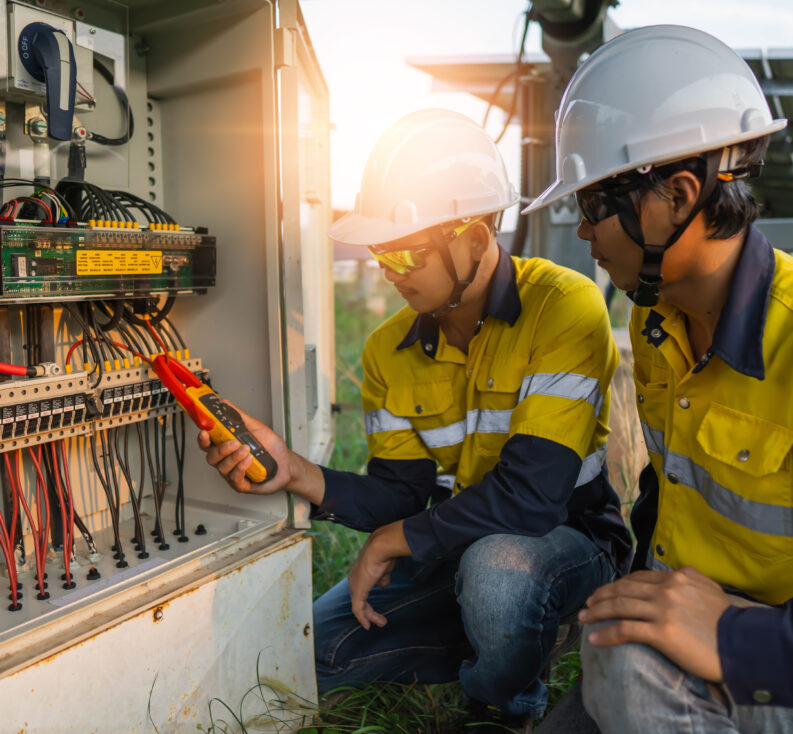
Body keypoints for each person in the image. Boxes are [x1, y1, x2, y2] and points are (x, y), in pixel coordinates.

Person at [198, 109, 631, 729]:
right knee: (309, 653)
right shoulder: (386, 350)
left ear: (476, 240)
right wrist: (294, 471)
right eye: (380, 252)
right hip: (455, 547)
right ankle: (498, 638)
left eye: (406, 255)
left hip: (567, 543)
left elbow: (533, 498)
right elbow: (402, 495)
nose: (388, 272)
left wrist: (397, 541)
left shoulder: (565, 308)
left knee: (500, 572)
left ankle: (502, 700)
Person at [524, 24, 793, 733]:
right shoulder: (657, 327)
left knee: (622, 661)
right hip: (690, 619)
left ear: (675, 196)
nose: (582, 233)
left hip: (770, 654)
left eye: (592, 207)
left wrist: (737, 638)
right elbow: (669, 490)